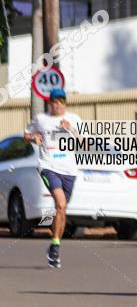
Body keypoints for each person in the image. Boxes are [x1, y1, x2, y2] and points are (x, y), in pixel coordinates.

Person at [24, 88, 83, 268]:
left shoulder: (74, 119)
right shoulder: (41, 120)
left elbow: (85, 143)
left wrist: (70, 129)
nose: (57, 105)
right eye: (54, 102)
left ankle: (54, 244)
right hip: (48, 167)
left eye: (61, 102)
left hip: (69, 171)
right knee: (61, 204)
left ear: (65, 103)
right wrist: (33, 138)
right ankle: (56, 248)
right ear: (50, 103)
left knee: (62, 211)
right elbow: (26, 135)